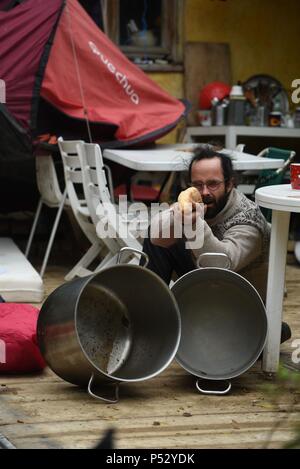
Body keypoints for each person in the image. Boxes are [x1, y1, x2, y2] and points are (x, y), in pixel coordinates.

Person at [142, 146, 291, 343]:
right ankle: (145, 320)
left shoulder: (248, 219)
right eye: (198, 184)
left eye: (213, 184)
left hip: (241, 301)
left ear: (230, 184)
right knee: (161, 241)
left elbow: (221, 266)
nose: (205, 192)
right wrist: (175, 216)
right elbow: (156, 238)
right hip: (210, 287)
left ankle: (263, 334)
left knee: (247, 339)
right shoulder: (195, 207)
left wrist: (193, 224)